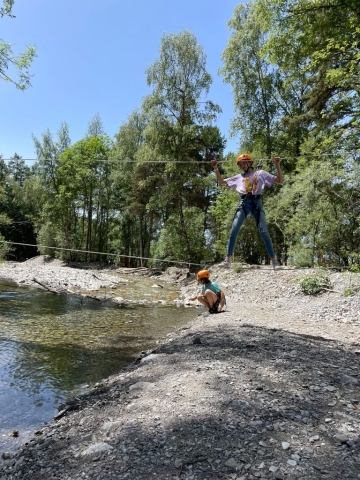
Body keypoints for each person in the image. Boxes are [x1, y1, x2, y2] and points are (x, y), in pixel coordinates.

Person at [211, 153, 283, 269]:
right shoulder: (239, 177)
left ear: (249, 163)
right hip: (244, 203)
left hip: (256, 203)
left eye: (243, 163)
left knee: (264, 232)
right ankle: (227, 260)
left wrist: (277, 165)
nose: (241, 166)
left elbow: (279, 180)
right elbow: (222, 182)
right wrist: (215, 168)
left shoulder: (261, 173)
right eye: (239, 164)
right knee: (234, 230)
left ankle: (274, 261)